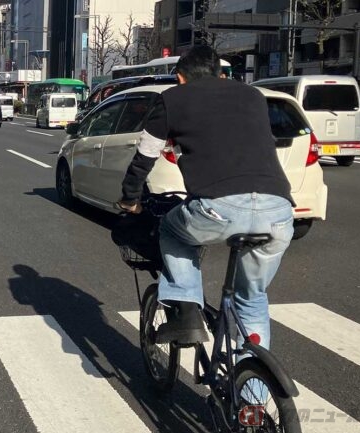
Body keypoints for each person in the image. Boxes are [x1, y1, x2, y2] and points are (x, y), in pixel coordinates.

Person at [117, 46, 294, 350]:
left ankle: (186, 311)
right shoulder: (253, 95)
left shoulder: (172, 99)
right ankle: (250, 380)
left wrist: (130, 199)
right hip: (278, 209)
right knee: (251, 299)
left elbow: (144, 157)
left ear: (180, 77)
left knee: (171, 229)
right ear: (220, 74)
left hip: (219, 206)